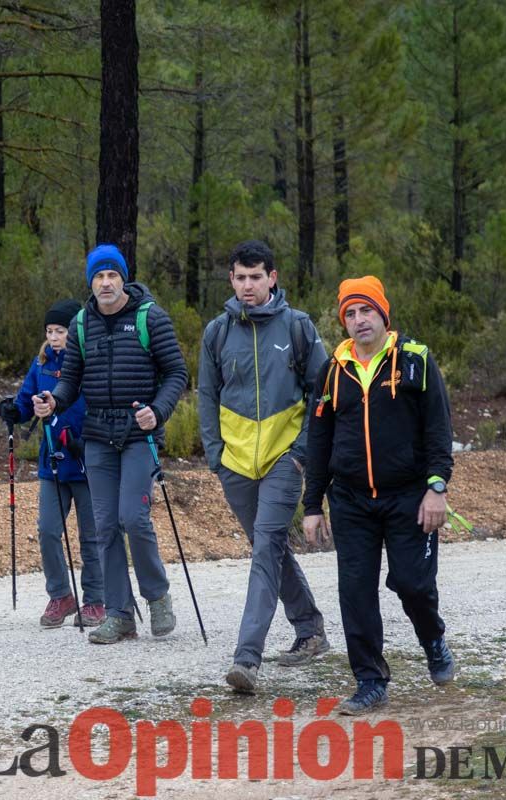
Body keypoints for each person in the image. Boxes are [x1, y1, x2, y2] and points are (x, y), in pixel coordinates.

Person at [302, 276, 455, 714]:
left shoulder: (416, 360)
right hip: (350, 499)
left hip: (409, 496)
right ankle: (370, 680)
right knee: (355, 591)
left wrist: (436, 488)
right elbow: (319, 439)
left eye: (366, 310)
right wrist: (313, 504)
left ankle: (433, 639)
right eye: (349, 313)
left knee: (412, 583)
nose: (358, 320)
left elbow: (438, 430)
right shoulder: (333, 368)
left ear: (383, 314)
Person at [33, 244, 188, 645]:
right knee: (104, 526)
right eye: (98, 276)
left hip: (140, 432)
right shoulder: (82, 323)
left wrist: (158, 410)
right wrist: (54, 401)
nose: (105, 282)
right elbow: (70, 380)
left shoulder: (149, 317)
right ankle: (120, 614)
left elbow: (176, 372)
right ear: (91, 281)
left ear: (123, 279)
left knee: (132, 519)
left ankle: (157, 597)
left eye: (112, 275)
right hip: (98, 436)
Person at [197, 240, 330, 695]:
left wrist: (301, 453)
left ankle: (246, 658)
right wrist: (215, 455)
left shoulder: (297, 327)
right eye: (240, 277)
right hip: (234, 465)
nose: (248, 285)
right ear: (231, 280)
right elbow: (205, 395)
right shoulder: (217, 332)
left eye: (256, 277)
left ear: (272, 277)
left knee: (266, 546)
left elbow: (323, 394)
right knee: (267, 547)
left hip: (283, 460)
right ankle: (310, 628)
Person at [0, 299, 106, 628]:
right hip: (53, 460)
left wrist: (87, 440)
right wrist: (14, 411)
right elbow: (27, 401)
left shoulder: (89, 361)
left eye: (61, 331)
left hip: (85, 459)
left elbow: (100, 404)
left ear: (75, 331)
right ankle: (61, 595)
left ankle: (96, 599)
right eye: (50, 331)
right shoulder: (41, 362)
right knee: (46, 529)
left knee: (92, 535)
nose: (55, 337)